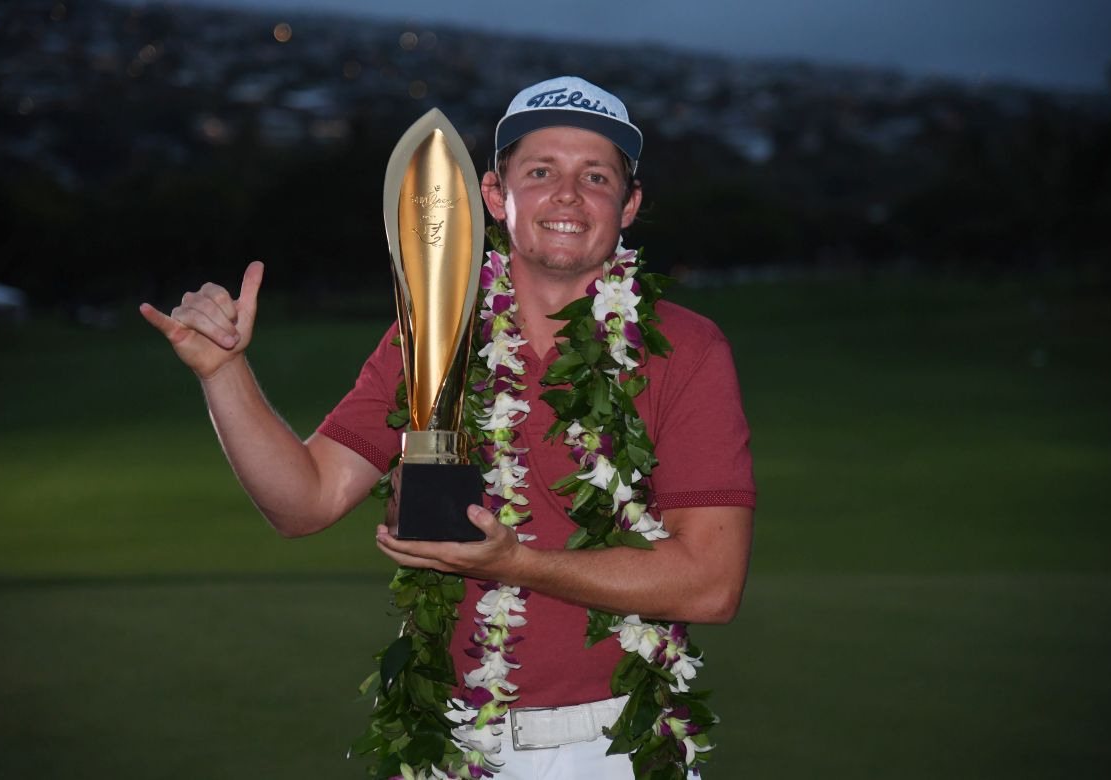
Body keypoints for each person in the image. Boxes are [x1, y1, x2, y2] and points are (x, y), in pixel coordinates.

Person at [141, 76, 755, 779]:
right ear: (495, 195)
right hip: (450, 743)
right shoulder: (430, 336)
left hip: (612, 748)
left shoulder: (686, 348)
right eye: (541, 172)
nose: (567, 195)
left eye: (596, 176)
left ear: (630, 204)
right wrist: (223, 375)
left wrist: (514, 566)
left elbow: (712, 584)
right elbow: (303, 501)